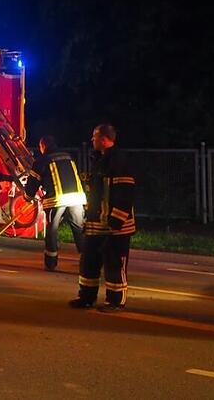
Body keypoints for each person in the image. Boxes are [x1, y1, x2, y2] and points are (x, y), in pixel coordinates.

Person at [69, 124, 136, 312]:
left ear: (104, 139)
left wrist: (116, 220)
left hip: (115, 226)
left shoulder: (119, 161)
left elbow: (125, 193)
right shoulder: (100, 159)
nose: (92, 140)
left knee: (114, 263)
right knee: (89, 261)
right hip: (96, 223)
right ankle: (86, 297)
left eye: (95, 137)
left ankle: (115, 301)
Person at [23, 135, 86, 271]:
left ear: (43, 146)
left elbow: (33, 182)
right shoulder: (68, 156)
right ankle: (87, 260)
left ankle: (51, 262)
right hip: (77, 197)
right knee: (79, 229)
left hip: (57, 199)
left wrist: (28, 197)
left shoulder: (42, 161)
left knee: (52, 229)